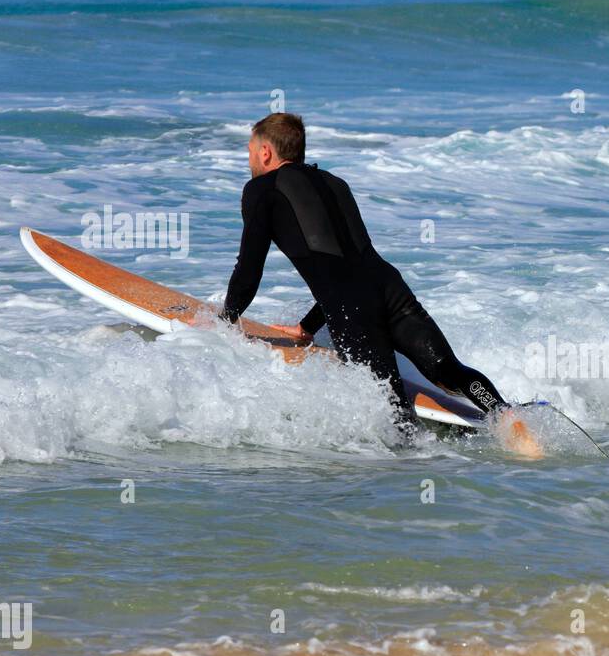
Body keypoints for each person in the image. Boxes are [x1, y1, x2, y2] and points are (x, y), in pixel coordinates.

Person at [220, 113, 514, 439]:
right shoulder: (335, 184)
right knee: (447, 369)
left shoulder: (261, 189)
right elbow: (347, 264)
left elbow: (249, 269)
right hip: (391, 289)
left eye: (249, 151)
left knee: (393, 408)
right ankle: (508, 416)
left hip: (352, 308)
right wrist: (307, 328)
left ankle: (414, 470)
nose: (248, 159)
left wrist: (224, 322)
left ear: (265, 152)